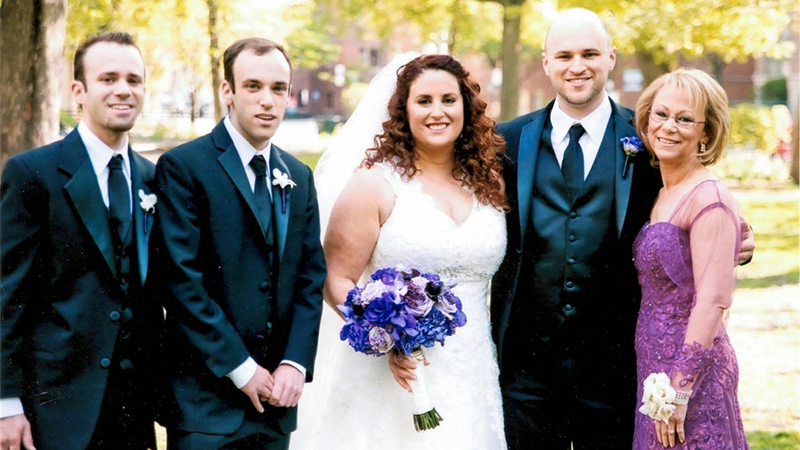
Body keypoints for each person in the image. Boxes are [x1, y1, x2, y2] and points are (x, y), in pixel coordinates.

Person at [489, 8, 755, 449]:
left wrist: (740, 241)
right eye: (565, 55)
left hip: (618, 367)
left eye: (590, 53)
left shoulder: (652, 133)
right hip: (527, 368)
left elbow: (697, 200)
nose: (578, 66)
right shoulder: (508, 140)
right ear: (545, 62)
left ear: (611, 58)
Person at [294, 53, 509, 449]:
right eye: (423, 101)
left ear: (466, 105)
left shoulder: (490, 182)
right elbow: (335, 277)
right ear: (403, 111)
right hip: (393, 374)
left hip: (473, 372)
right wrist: (384, 334)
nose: (437, 112)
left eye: (449, 99)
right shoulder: (373, 186)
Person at [152, 37, 326, 449]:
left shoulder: (298, 176)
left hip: (276, 405)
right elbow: (180, 280)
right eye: (253, 86)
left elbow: (310, 276)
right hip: (206, 406)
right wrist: (241, 367)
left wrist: (294, 364)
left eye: (278, 89)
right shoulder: (185, 167)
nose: (267, 100)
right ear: (227, 91)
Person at [0, 31, 163, 450]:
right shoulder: (33, 174)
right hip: (57, 409)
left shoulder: (151, 178)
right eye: (108, 78)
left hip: (133, 411)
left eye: (134, 79)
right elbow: (7, 296)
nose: (123, 90)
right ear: (79, 90)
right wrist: (6, 402)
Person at [632, 68, 749, 449]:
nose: (668, 127)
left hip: (690, 374)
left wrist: (680, 390)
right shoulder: (661, 189)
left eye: (684, 119)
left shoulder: (708, 197)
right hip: (653, 368)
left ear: (706, 133)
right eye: (661, 114)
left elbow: (714, 299)